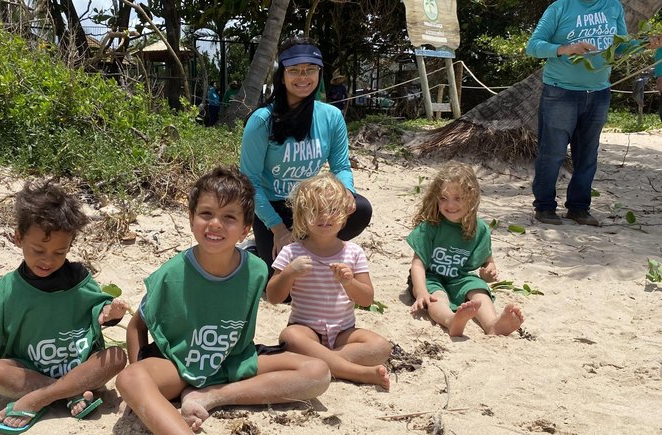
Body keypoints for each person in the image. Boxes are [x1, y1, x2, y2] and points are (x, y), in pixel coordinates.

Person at [116, 166, 331, 435]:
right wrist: (141, 386)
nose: (215, 224)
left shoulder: (256, 269)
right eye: (206, 213)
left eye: (229, 217)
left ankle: (212, 396)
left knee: (318, 373)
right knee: (130, 380)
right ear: (192, 219)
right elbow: (137, 326)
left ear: (245, 229)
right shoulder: (171, 274)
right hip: (178, 363)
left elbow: (276, 296)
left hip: (233, 359)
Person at [0, 180, 128, 434]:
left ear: (70, 246)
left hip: (78, 366)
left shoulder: (77, 277)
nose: (47, 260)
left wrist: (110, 315)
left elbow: (99, 312)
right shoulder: (10, 288)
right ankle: (65, 393)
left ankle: (37, 399)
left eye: (59, 252)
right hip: (29, 372)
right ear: (18, 238)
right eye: (38, 250)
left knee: (117, 356)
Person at [240, 36, 373, 279]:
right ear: (282, 75)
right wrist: (278, 229)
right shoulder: (261, 121)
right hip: (273, 208)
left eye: (310, 70)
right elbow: (250, 182)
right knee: (283, 287)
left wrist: (347, 192)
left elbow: (341, 165)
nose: (303, 77)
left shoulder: (331, 116)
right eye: (294, 71)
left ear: (320, 73)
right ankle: (257, 248)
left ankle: (315, 247)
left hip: (311, 205)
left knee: (361, 209)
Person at [526, 0, 662, 226]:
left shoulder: (613, 7)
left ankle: (579, 209)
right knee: (552, 154)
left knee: (588, 156)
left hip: (599, 93)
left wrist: (645, 44)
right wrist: (565, 49)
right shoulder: (560, 7)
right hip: (560, 91)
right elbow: (534, 46)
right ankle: (544, 207)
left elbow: (619, 47)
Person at [266, 173, 391, 390]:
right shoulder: (291, 251)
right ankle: (355, 372)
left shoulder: (353, 253)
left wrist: (349, 282)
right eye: (316, 211)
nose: (325, 216)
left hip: (343, 332)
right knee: (290, 336)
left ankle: (326, 362)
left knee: (381, 347)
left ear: (344, 215)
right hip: (306, 329)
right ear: (302, 216)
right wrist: (288, 274)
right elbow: (273, 297)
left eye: (333, 210)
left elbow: (367, 299)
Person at [407, 161, 525, 337]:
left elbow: (488, 261)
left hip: (460, 278)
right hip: (431, 276)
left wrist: (488, 273)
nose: (450, 205)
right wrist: (421, 291)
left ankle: (492, 325)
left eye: (458, 198)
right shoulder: (430, 226)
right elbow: (417, 264)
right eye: (444, 198)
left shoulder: (480, 229)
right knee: (437, 297)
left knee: (479, 289)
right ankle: (451, 320)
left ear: (471, 197)